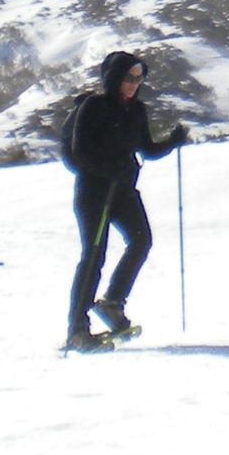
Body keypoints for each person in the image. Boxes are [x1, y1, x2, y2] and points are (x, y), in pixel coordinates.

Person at [66, 50, 188, 351]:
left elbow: (146, 149)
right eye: (129, 78)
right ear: (114, 78)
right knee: (94, 257)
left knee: (141, 240)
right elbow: (78, 152)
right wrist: (108, 168)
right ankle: (77, 330)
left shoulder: (136, 111)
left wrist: (172, 142)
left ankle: (112, 303)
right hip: (94, 193)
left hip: (122, 191)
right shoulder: (93, 106)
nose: (134, 84)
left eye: (139, 78)